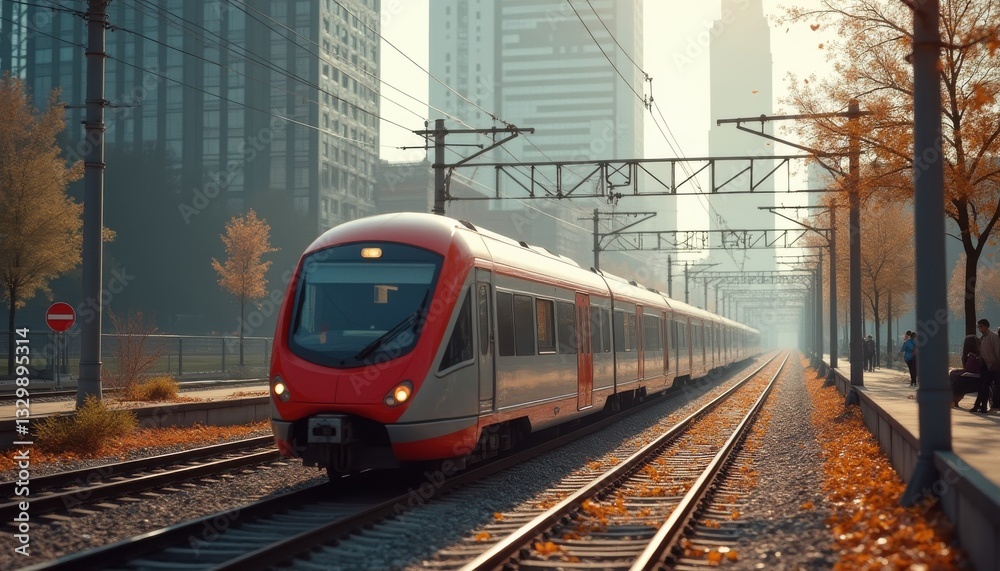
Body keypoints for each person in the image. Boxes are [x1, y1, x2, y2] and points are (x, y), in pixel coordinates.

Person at [973, 319, 1000, 413]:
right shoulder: (982, 338)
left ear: (986, 326)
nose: (979, 328)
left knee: (990, 387)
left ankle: (989, 406)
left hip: (994, 365)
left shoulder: (993, 336)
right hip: (985, 365)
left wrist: (997, 364)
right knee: (983, 387)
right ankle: (982, 407)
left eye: (981, 326)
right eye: (978, 326)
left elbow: (997, 350)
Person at [950, 333, 981, 408]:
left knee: (956, 377)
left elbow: (969, 368)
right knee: (954, 374)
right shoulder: (975, 354)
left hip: (973, 378)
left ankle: (954, 398)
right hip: (974, 375)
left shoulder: (972, 356)